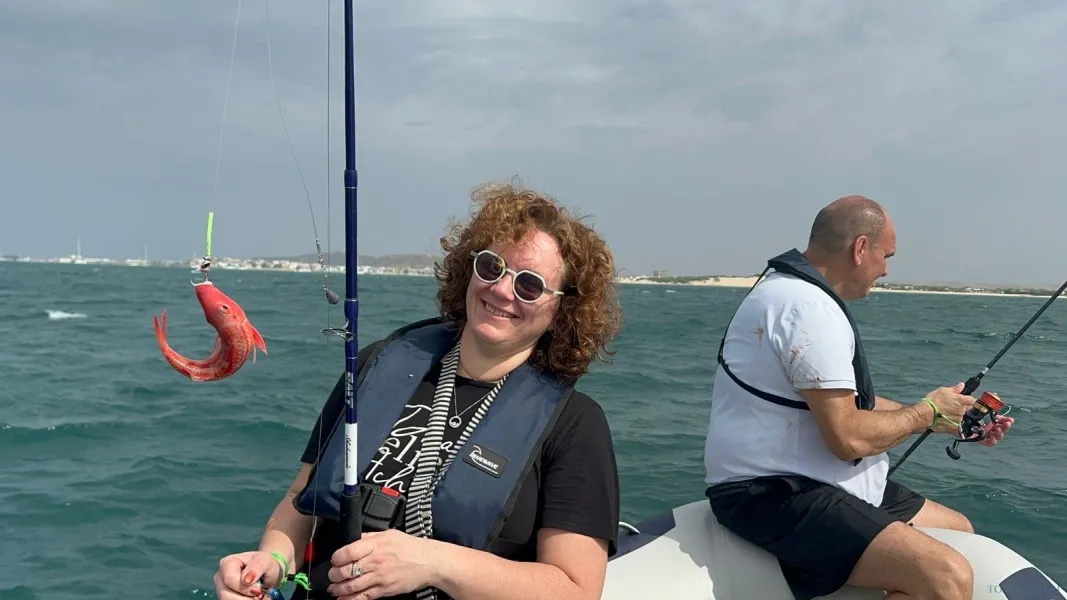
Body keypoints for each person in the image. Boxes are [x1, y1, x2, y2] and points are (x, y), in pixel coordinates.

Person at [212, 180, 624, 600]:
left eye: (529, 286)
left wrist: (432, 563)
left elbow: (576, 590)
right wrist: (270, 562)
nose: (502, 290)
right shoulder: (375, 365)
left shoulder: (576, 426)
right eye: (491, 267)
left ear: (561, 309)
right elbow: (301, 500)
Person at [702, 195, 1015, 600]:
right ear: (861, 248)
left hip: (823, 482)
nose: (885, 270)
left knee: (959, 529)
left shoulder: (791, 293)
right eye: (887, 256)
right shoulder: (807, 307)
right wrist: (926, 412)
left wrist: (943, 417)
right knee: (946, 577)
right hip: (773, 493)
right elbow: (847, 438)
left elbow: (848, 406)